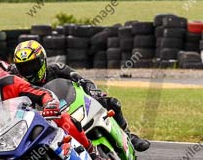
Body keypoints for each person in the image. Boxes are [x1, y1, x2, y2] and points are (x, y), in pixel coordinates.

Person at [0, 57, 121, 160]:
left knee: (64, 118)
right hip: (7, 146)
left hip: (31, 124)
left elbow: (41, 93)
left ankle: (94, 156)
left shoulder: (10, 83)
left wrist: (49, 104)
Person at [11, 40, 151, 152]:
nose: (29, 71)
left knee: (112, 103)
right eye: (24, 67)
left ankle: (129, 136)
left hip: (70, 107)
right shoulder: (18, 82)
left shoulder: (57, 69)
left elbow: (81, 80)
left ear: (42, 61)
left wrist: (95, 91)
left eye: (32, 65)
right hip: (47, 122)